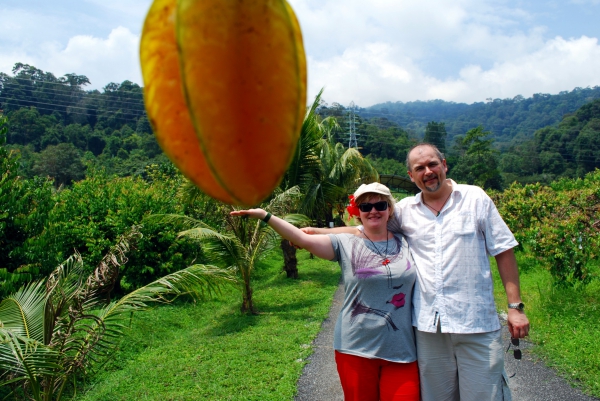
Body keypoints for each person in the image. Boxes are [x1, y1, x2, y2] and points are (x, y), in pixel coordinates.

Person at [306, 143, 530, 401]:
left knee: (484, 395)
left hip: (475, 323)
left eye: (433, 164)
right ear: (411, 176)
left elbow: (503, 250)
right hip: (428, 329)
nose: (428, 172)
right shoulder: (404, 211)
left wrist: (515, 307)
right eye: (419, 168)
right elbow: (366, 228)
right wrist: (319, 232)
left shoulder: (475, 199)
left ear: (444, 165)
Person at [231, 182, 419, 401]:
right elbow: (302, 239)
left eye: (380, 204)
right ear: (357, 212)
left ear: (390, 209)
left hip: (401, 351)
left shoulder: (407, 241)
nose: (373, 210)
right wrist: (265, 216)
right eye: (365, 207)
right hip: (356, 348)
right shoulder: (344, 243)